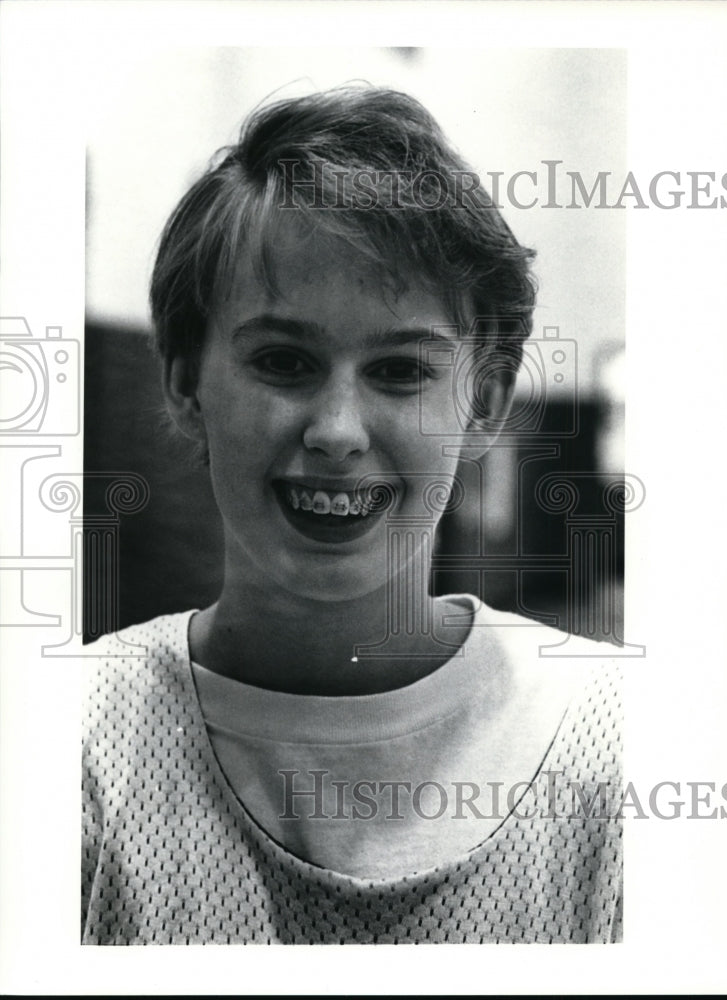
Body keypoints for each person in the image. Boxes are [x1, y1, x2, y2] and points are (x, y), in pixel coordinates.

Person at [81, 85, 622, 945]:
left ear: (482, 404)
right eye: (283, 361)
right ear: (185, 382)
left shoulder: (620, 745)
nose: (335, 431)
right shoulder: (68, 744)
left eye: (401, 371)